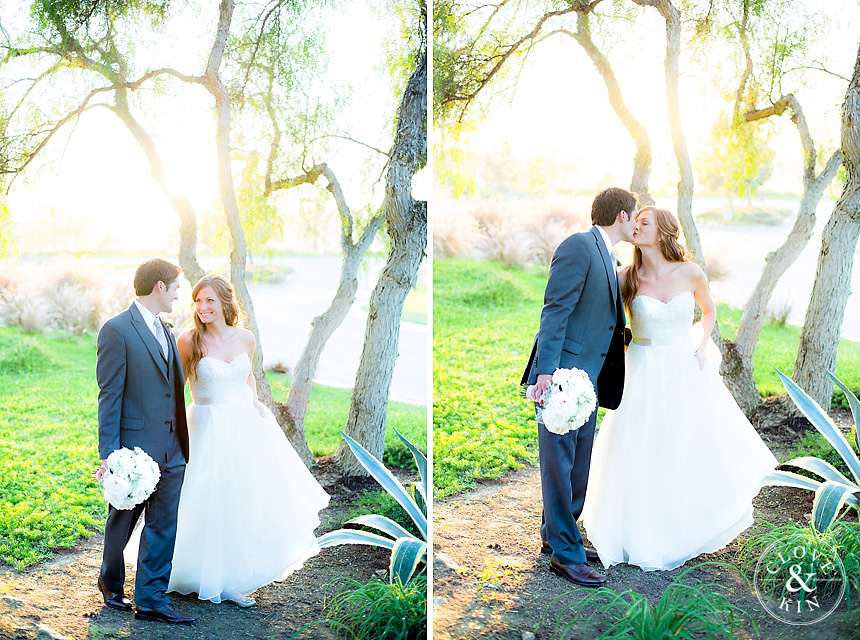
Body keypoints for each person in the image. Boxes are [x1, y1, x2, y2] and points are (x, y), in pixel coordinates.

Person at [580, 206, 778, 572]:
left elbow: (709, 311)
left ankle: (686, 524)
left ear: (664, 232)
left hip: (683, 367)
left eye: (644, 223)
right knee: (639, 444)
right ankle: (639, 529)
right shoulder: (627, 277)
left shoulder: (691, 272)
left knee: (684, 443)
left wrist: (702, 344)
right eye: (634, 222)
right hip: (641, 367)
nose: (636, 227)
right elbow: (602, 317)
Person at [166, 274, 330, 606]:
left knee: (243, 498)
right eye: (198, 300)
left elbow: (249, 376)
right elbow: (175, 389)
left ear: (226, 302)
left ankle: (231, 577)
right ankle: (199, 571)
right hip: (207, 426)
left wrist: (254, 405)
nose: (202, 307)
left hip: (244, 426)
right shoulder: (189, 340)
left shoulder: (245, 338)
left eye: (209, 300)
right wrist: (170, 427)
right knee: (209, 497)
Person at [521, 187, 636, 587]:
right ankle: (565, 556)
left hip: (586, 381)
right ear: (622, 215)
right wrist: (545, 373)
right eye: (634, 215)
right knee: (559, 468)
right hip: (563, 379)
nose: (636, 222)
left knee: (576, 469)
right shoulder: (578, 246)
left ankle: (557, 539)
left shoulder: (607, 253)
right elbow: (555, 310)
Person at [96, 258, 195, 624]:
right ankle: (111, 582)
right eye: (176, 287)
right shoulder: (117, 330)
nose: (179, 293)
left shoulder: (166, 329)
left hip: (173, 448)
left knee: (163, 526)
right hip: (135, 451)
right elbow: (109, 396)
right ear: (160, 287)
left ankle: (152, 600)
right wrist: (110, 455)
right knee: (121, 523)